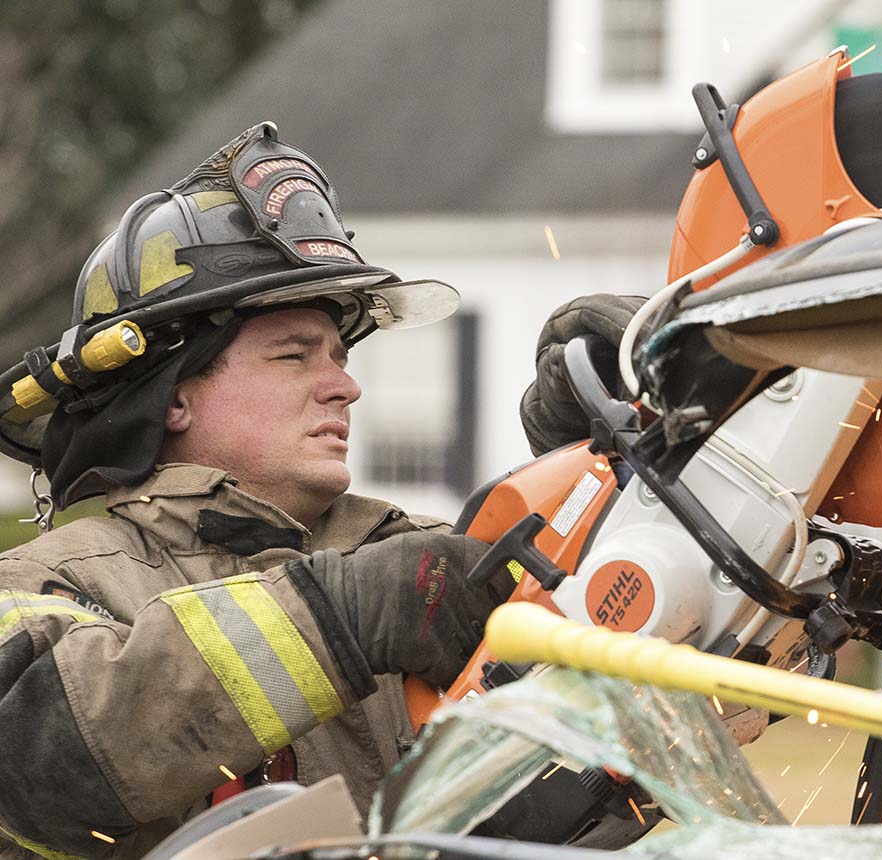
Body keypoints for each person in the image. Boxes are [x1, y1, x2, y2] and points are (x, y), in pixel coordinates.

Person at [0, 122, 638, 860]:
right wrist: (348, 611)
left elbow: (653, 676)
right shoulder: (54, 581)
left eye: (337, 354)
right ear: (171, 397)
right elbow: (34, 761)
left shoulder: (417, 562)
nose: (344, 386)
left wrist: (610, 486)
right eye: (293, 355)